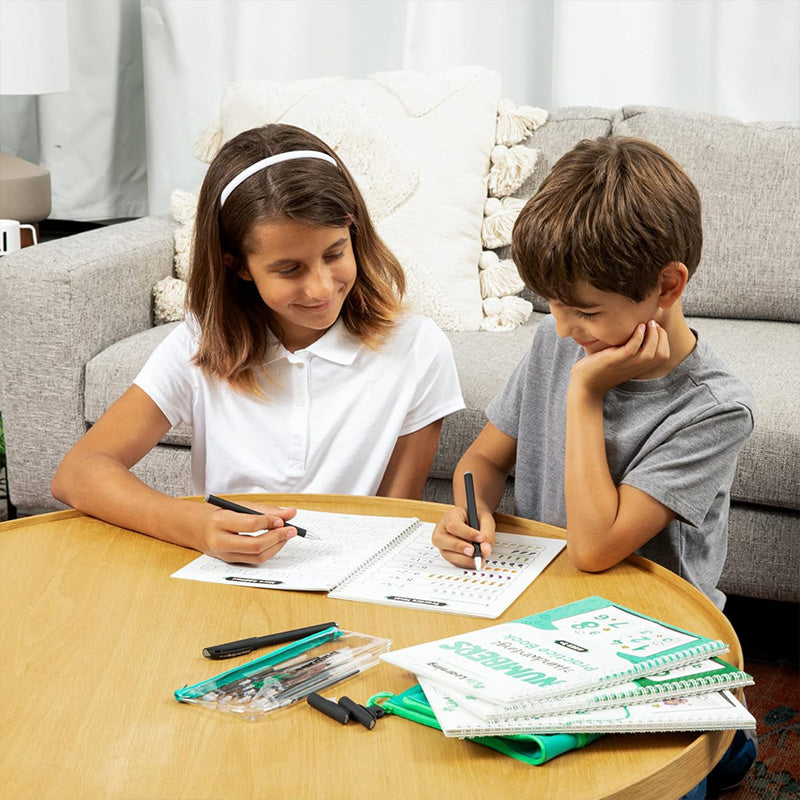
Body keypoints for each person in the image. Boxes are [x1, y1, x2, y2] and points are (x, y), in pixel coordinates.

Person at [432, 135, 756, 796]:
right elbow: (485, 458)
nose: (561, 329)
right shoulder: (559, 342)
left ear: (667, 286)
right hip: (547, 626)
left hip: (664, 655)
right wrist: (467, 510)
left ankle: (726, 742)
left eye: (583, 311)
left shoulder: (712, 409)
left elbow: (596, 547)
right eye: (551, 304)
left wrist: (586, 393)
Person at [52, 123, 464, 565]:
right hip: (224, 573)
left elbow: (396, 516)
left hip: (354, 577)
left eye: (334, 253)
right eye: (289, 269)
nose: (322, 286)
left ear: (355, 233)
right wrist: (194, 526)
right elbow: (78, 473)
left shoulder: (418, 348)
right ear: (239, 267)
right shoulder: (201, 343)